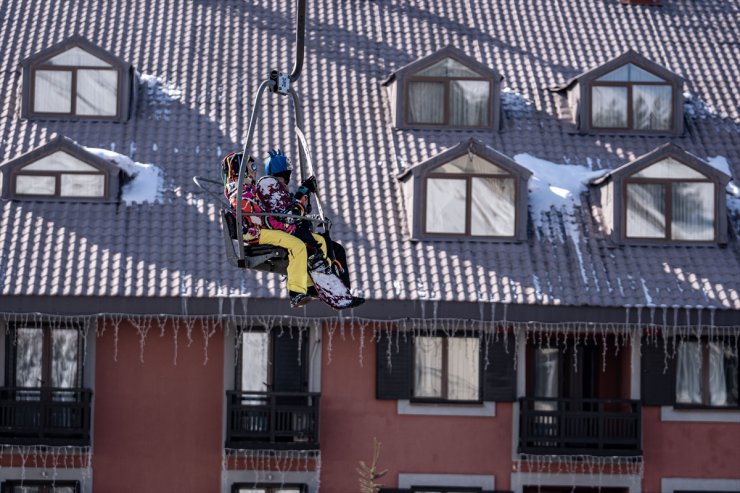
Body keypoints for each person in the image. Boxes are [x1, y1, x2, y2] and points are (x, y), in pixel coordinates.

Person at [221, 151, 326, 308]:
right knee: (297, 245)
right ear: (242, 171)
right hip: (255, 233)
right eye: (253, 167)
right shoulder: (241, 194)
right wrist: (285, 227)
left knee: (319, 240)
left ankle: (312, 285)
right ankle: (296, 292)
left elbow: (264, 217)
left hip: (262, 229)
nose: (256, 171)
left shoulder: (249, 191)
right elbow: (258, 219)